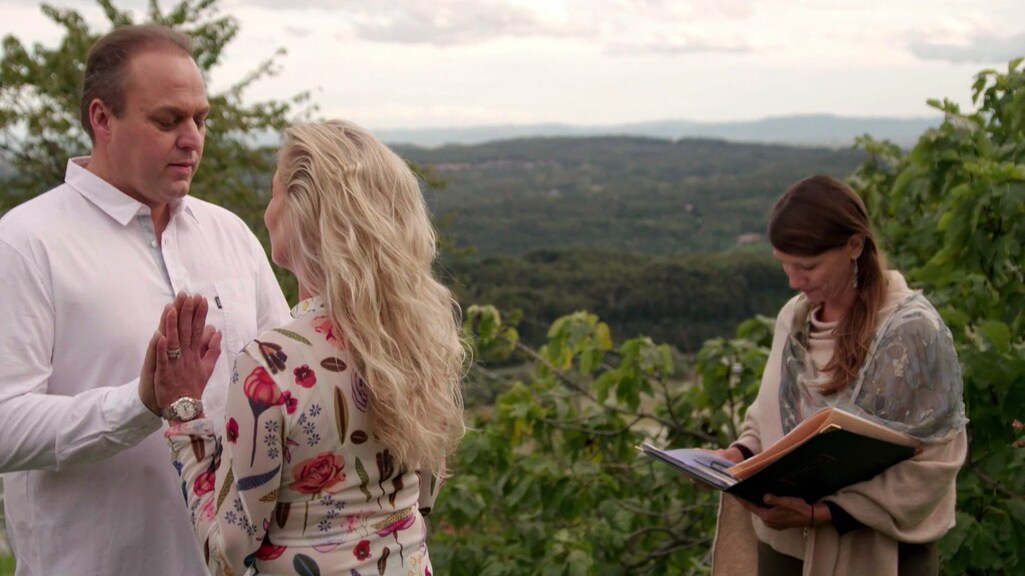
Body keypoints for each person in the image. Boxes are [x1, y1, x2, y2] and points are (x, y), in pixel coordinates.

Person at [0, 24, 290, 575]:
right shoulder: (24, 242)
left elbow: (282, 383)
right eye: (168, 120)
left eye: (200, 119)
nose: (192, 138)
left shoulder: (228, 233)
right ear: (101, 119)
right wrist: (139, 406)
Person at [146, 119, 467, 575]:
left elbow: (227, 558)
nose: (268, 210)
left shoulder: (270, 367)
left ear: (300, 215)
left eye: (275, 193)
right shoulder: (422, 339)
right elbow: (422, 499)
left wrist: (184, 416)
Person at [709, 175, 967, 576]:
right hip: (782, 549)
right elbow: (766, 420)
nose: (793, 281)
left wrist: (825, 513)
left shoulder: (913, 332)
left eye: (807, 266)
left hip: (881, 554)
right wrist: (738, 455)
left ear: (854, 245)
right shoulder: (794, 319)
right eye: (784, 264)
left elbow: (936, 461)